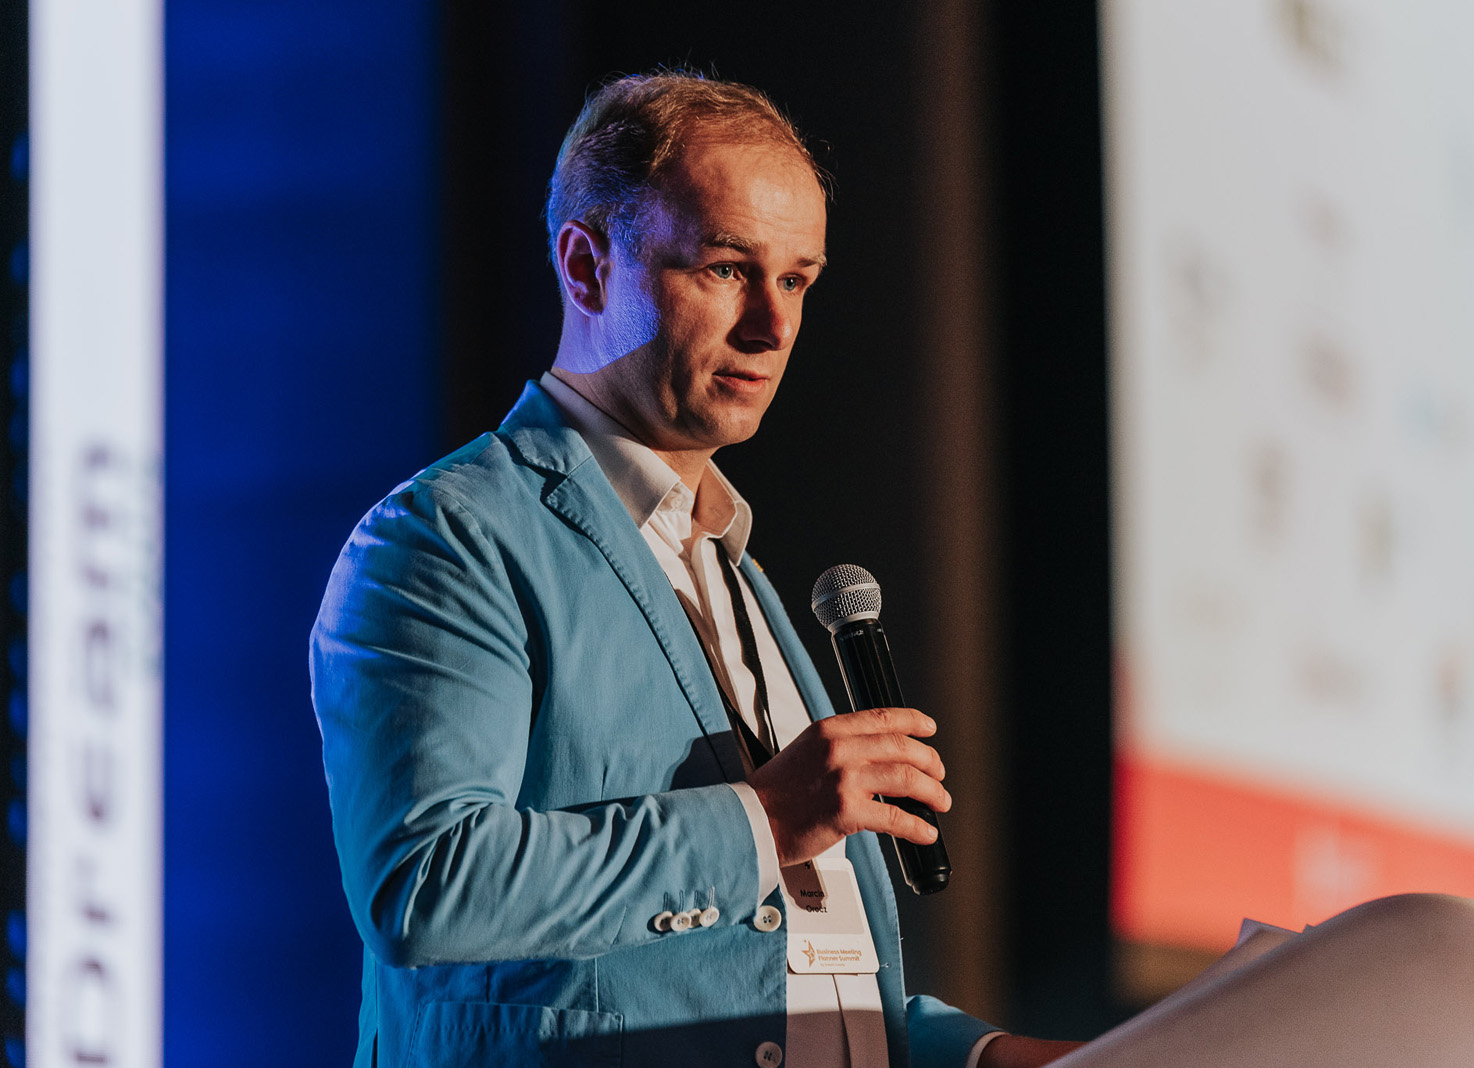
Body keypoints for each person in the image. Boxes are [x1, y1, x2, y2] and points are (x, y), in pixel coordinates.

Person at [311, 71, 1082, 1068]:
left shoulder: (726, 563)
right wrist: (766, 817)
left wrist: (991, 1057)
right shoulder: (450, 536)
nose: (773, 326)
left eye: (796, 280)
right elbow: (429, 883)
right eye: (726, 268)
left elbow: (777, 976)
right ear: (586, 267)